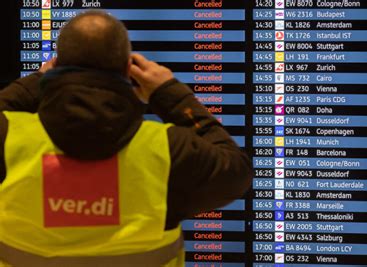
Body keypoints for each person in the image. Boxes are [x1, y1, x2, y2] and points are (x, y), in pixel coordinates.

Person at [0, 10, 252, 267]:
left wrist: (36, 82)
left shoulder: (10, 139)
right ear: (127, 70)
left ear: (56, 67)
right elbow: (236, 170)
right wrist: (170, 94)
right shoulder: (168, 151)